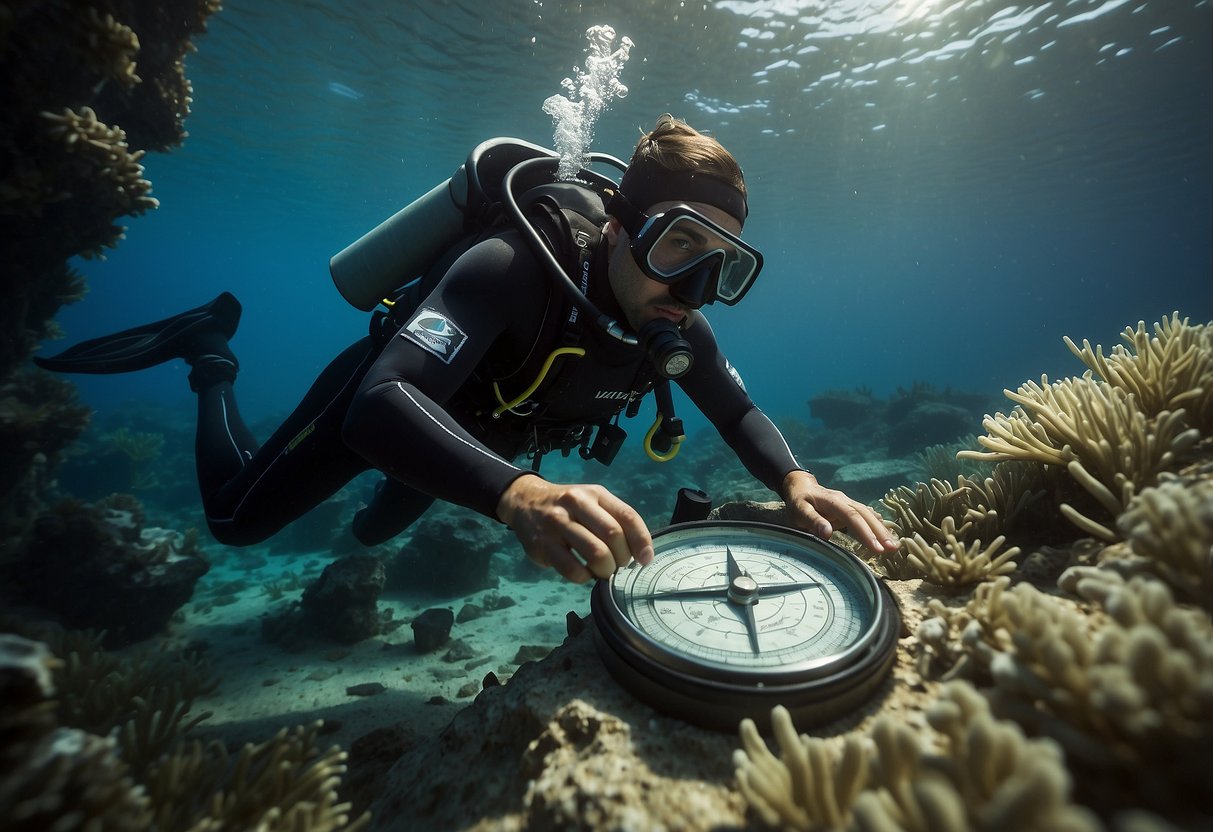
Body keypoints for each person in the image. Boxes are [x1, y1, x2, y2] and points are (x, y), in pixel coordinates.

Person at [36, 115, 898, 584]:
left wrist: (797, 480)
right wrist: (519, 493)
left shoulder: (669, 323)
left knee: (373, 535)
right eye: (680, 247)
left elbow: (735, 406)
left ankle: (445, 489)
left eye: (724, 265)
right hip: (400, 397)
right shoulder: (510, 267)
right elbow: (381, 405)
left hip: (480, 437)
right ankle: (208, 355)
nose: (695, 286)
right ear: (624, 226)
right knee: (234, 522)